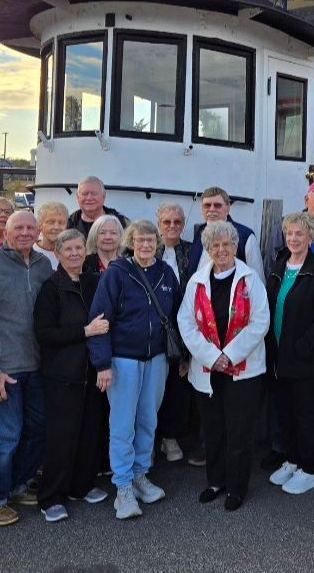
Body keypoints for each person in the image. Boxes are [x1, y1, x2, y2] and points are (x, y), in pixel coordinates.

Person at [87, 220, 182, 520]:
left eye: (150, 240)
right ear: (131, 242)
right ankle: (123, 487)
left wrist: (183, 356)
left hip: (156, 359)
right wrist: (102, 363)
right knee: (123, 425)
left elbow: (178, 317)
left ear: (158, 242)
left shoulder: (167, 274)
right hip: (124, 360)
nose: (145, 245)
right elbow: (100, 320)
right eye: (139, 240)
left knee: (148, 421)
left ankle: (141, 474)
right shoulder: (117, 273)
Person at [0, 210, 54, 527]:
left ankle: (14, 485)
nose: (26, 233)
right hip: (3, 372)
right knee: (5, 438)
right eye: (19, 227)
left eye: (31, 227)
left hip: (37, 368)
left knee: (38, 431)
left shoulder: (44, 265)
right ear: (4, 231)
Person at [178, 221, 270, 511]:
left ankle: (236, 487)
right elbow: (186, 323)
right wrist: (210, 356)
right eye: (215, 245)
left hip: (242, 370)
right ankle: (215, 481)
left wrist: (228, 355)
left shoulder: (250, 278)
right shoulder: (197, 281)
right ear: (207, 249)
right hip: (207, 369)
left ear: (235, 247)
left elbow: (260, 322)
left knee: (239, 430)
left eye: (227, 244)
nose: (221, 250)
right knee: (214, 428)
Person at [33, 229, 111, 523]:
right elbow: (44, 334)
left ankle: (82, 485)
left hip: (92, 372)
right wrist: (84, 331)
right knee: (61, 439)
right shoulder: (51, 289)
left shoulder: (94, 282)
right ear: (58, 253)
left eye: (79, 248)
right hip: (63, 375)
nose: (75, 254)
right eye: (69, 250)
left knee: (89, 432)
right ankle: (51, 497)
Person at [265, 211, 314, 495]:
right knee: (285, 413)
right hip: (278, 357)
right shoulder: (279, 265)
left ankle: (309, 469)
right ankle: (292, 460)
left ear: (311, 237)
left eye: (299, 234)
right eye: (289, 233)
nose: (293, 238)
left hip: (303, 358)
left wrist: (305, 346)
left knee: (305, 415)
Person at [156, 201, 198, 465]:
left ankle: (170, 436)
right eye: (167, 222)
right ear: (159, 223)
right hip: (152, 328)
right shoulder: (148, 249)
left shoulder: (192, 252)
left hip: (182, 325)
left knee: (176, 386)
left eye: (177, 222)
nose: (172, 226)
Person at [188, 186, 264, 278]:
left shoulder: (245, 236)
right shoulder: (199, 233)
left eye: (217, 205)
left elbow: (257, 276)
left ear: (228, 208)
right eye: (207, 205)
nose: (211, 209)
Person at [33, 200, 69, 269]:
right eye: (51, 222)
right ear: (40, 225)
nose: (56, 227)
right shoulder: (29, 250)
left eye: (61, 222)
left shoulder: (72, 253)